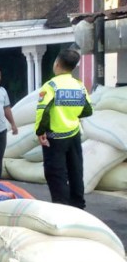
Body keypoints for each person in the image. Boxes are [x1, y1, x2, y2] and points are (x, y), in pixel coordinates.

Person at [35, 48, 93, 209]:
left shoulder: (51, 86)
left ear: (57, 64)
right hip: (74, 135)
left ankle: (62, 208)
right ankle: (78, 205)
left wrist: (40, 131)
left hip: (55, 138)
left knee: (56, 174)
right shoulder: (79, 86)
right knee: (75, 171)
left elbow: (43, 110)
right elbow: (88, 109)